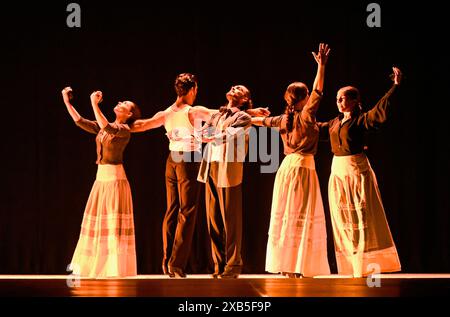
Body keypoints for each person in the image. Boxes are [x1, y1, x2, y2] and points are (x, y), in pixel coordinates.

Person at [131, 74, 269, 278]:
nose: (233, 87)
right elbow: (216, 121)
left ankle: (176, 262)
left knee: (182, 212)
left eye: (238, 88)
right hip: (196, 163)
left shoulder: (168, 113)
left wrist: (118, 126)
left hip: (189, 162)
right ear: (193, 89)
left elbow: (226, 129)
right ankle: (189, 264)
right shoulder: (202, 112)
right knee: (195, 214)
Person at [252, 43, 331, 278]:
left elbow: (260, 123)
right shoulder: (306, 115)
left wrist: (248, 115)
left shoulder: (283, 118)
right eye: (306, 95)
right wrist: (321, 66)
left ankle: (287, 265)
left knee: (288, 215)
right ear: (303, 98)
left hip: (286, 169)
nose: (310, 97)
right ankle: (297, 266)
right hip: (303, 169)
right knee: (301, 217)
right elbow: (319, 91)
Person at [319, 67, 403, 277]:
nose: (338, 101)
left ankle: (367, 264)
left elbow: (381, 109)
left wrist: (395, 86)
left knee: (361, 215)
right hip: (338, 171)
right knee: (343, 216)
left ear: (355, 101)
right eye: (337, 98)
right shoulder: (334, 123)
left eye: (343, 98)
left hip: (357, 170)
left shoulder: (361, 119)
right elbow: (309, 128)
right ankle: (350, 262)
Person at [62, 87, 141, 278]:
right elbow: (80, 121)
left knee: (112, 225)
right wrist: (67, 102)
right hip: (101, 179)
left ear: (128, 114)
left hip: (115, 180)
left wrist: (93, 103)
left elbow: (108, 127)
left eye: (125, 104)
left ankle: (114, 268)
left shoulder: (124, 129)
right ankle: (96, 265)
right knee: (97, 224)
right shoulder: (104, 125)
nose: (120, 101)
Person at [196, 84, 255, 279]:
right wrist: (207, 135)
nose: (233, 88)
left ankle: (233, 265)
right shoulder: (217, 115)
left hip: (228, 169)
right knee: (213, 219)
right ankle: (218, 264)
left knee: (231, 219)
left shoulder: (243, 117)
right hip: (212, 165)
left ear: (245, 99)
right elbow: (202, 133)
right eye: (232, 86)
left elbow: (226, 136)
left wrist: (209, 136)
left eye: (239, 88)